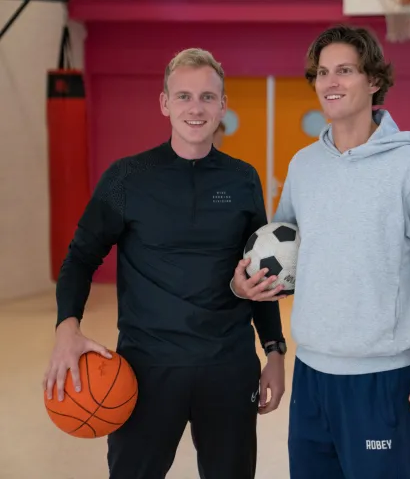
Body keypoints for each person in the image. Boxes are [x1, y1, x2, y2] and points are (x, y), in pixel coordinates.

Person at [233, 25, 410, 479]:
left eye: (345, 70)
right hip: (311, 376)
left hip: (382, 382)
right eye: (322, 72)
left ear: (374, 81)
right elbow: (283, 253)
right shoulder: (304, 166)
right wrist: (246, 283)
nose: (331, 82)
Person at [42, 48, 287, 479]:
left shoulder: (243, 178)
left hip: (227, 367)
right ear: (164, 103)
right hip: (146, 369)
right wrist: (68, 328)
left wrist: (274, 351)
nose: (196, 108)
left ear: (223, 105)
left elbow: (260, 273)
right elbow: (80, 257)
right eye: (184, 96)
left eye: (208, 97)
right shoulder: (127, 178)